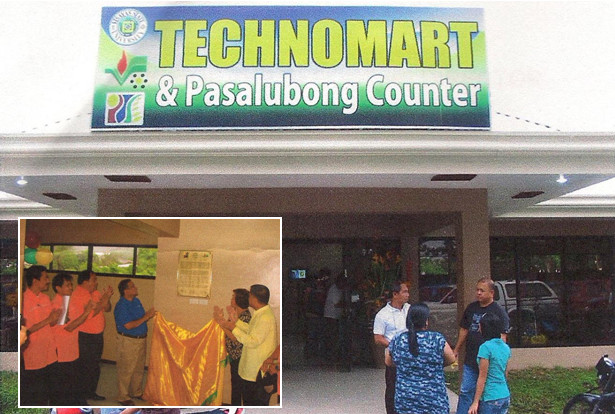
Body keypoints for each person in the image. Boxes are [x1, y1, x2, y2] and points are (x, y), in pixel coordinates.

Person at [386, 302, 456, 414]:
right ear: (426, 321)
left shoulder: (399, 339)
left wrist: (405, 365)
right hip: (434, 400)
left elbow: (389, 362)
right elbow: (451, 359)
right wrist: (435, 364)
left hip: (406, 400)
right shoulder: (437, 339)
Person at [214, 284, 278, 406]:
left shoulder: (264, 317)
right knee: (248, 401)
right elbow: (250, 330)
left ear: (254, 298)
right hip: (251, 369)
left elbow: (252, 341)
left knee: (254, 403)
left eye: (249, 295)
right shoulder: (261, 313)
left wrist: (233, 327)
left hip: (256, 370)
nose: (248, 298)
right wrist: (236, 322)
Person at [454, 277, 510, 414]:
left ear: (492, 293)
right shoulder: (471, 308)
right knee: (466, 390)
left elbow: (503, 337)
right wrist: (456, 349)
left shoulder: (499, 312)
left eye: (482, 291)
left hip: (489, 360)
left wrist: (499, 358)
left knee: (486, 392)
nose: (478, 293)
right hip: (471, 359)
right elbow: (464, 329)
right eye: (477, 290)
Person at [51, 272, 94, 406]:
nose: (71, 287)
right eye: (67, 285)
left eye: (71, 285)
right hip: (62, 351)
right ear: (58, 288)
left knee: (73, 381)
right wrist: (87, 312)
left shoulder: (68, 301)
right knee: (63, 385)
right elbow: (69, 327)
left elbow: (75, 322)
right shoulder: (58, 303)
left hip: (72, 348)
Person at [21, 265, 62, 405]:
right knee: (36, 395)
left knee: (52, 390)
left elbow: (51, 323)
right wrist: (48, 320)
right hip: (34, 355)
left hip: (50, 352)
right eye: (45, 278)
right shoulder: (23, 300)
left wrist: (57, 317)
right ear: (35, 280)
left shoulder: (45, 298)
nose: (48, 281)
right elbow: (26, 330)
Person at [71, 270, 113, 402]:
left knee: (94, 365)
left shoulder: (95, 292)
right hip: (85, 336)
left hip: (97, 335)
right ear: (85, 282)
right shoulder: (78, 295)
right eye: (94, 279)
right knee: (85, 366)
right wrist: (104, 299)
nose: (96, 282)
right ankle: (81, 393)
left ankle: (91, 391)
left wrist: (106, 298)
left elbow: (107, 308)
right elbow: (91, 314)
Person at [114, 278, 156, 406]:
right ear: (126, 291)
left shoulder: (136, 301)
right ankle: (123, 396)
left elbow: (140, 319)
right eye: (132, 286)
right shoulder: (121, 305)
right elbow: (128, 325)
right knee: (126, 369)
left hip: (140, 340)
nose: (135, 288)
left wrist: (146, 317)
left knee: (138, 368)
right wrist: (147, 316)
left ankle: (136, 392)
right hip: (128, 340)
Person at [373, 280, 411, 414]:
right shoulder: (383, 315)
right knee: (392, 388)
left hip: (411, 356)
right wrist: (395, 345)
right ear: (395, 294)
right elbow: (378, 338)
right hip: (393, 358)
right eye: (404, 292)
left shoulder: (410, 309)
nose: (407, 294)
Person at [469, 313, 512, 414]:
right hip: (504, 394)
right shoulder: (505, 347)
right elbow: (505, 372)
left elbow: (482, 377)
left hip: (490, 397)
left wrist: (475, 402)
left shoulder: (485, 348)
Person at [221, 288, 252, 405]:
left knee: (238, 387)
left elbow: (236, 338)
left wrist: (223, 326)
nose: (231, 299)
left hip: (240, 358)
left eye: (233, 297)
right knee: (236, 387)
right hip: (234, 357)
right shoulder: (236, 314)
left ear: (239, 300)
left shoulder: (245, 317)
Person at [323, 273, 345, 361]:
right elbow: (337, 304)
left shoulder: (340, 289)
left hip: (336, 316)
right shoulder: (334, 289)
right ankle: (331, 355)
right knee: (332, 336)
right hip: (331, 316)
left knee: (335, 336)